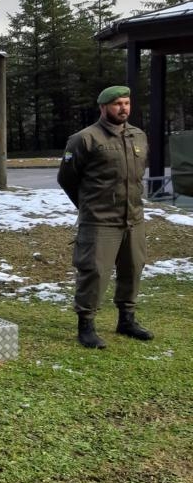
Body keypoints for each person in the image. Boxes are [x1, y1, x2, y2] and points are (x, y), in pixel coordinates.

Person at [57, 85, 153, 349]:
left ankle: (126, 320)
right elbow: (66, 178)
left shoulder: (138, 136)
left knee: (133, 269)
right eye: (116, 104)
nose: (123, 108)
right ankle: (86, 325)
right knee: (95, 273)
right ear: (103, 107)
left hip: (133, 218)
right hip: (99, 221)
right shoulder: (85, 138)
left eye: (126, 103)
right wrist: (87, 206)